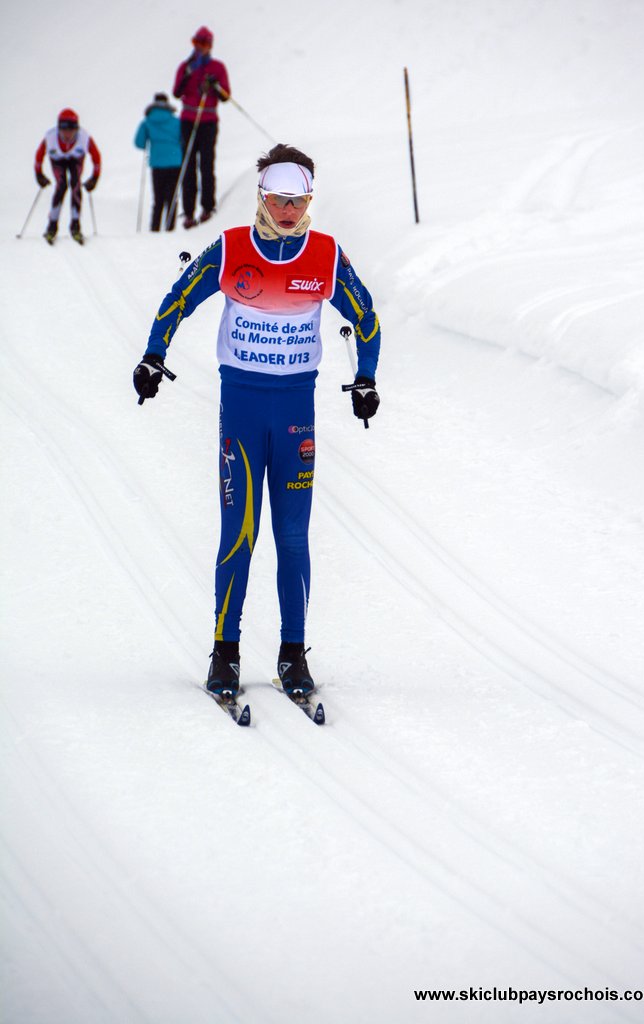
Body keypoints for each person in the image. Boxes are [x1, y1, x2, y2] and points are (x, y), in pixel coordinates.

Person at [133, 143, 381, 698]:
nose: (288, 209)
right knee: (238, 534)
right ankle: (226, 654)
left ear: (309, 198)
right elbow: (178, 300)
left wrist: (366, 376)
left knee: (292, 536)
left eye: (298, 199)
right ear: (262, 196)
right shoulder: (231, 249)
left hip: (296, 413)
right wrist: (154, 355)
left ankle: (293, 655)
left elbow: (365, 315)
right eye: (278, 198)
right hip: (242, 411)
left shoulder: (325, 255)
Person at [172, 25, 230, 229]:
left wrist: (215, 86)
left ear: (210, 46)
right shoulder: (185, 66)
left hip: (208, 123)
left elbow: (226, 97)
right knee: (188, 165)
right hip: (188, 120)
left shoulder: (218, 68)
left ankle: (207, 208)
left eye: (204, 44)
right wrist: (188, 73)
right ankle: (188, 213)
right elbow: (176, 92)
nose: (200, 48)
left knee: (206, 164)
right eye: (197, 43)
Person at [34, 108, 101, 244]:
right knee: (61, 186)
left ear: (77, 129)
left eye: (72, 129)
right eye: (64, 129)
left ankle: (75, 226)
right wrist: (39, 175)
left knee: (75, 184)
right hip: (57, 160)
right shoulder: (50, 137)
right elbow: (39, 157)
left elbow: (96, 157)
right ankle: (52, 226)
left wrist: (94, 178)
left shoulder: (84, 137)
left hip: (76, 159)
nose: (68, 133)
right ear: (58, 128)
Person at [134, 92, 183, 231]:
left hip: (157, 163)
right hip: (175, 162)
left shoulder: (147, 122)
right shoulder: (176, 121)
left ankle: (155, 228)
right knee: (172, 197)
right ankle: (170, 228)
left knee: (158, 199)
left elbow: (139, 143)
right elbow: (183, 139)